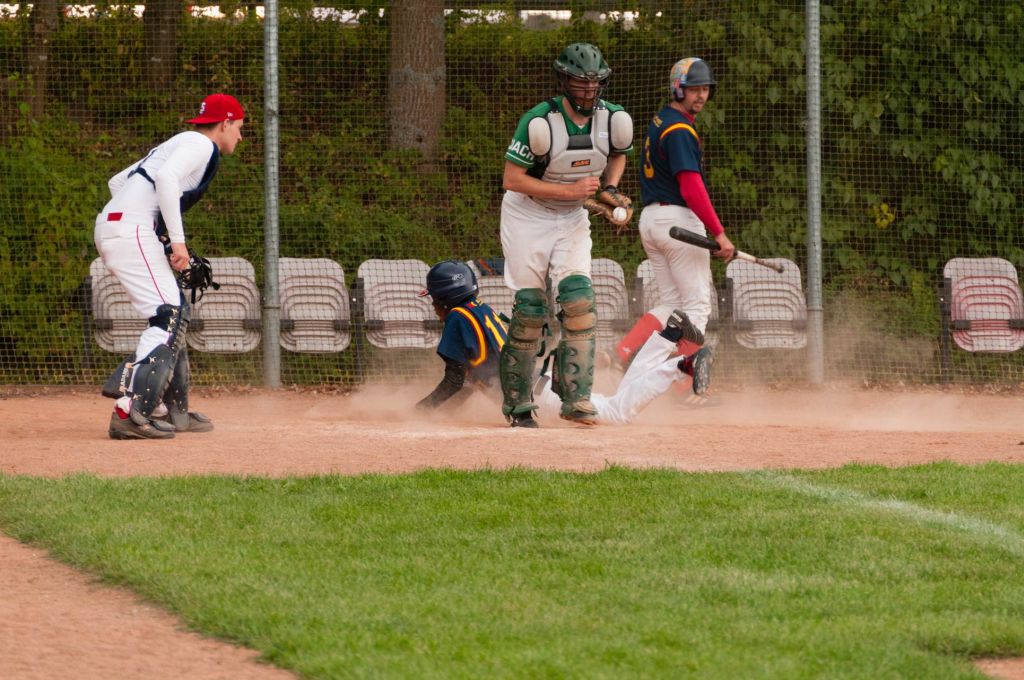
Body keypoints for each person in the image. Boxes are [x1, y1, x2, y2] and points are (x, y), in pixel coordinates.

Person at [499, 42, 634, 428]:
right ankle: (518, 405)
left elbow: (618, 154)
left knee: (579, 301)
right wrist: (570, 191)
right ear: (563, 80)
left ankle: (576, 398)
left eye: (595, 82)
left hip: (572, 217)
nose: (589, 89)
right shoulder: (539, 122)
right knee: (530, 310)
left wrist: (610, 189)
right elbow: (512, 179)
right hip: (527, 216)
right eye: (580, 82)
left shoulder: (614, 119)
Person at [95, 93, 245, 439]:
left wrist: (152, 234)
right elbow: (165, 180)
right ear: (224, 123)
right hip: (130, 230)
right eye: (238, 127)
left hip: (117, 227)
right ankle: (131, 411)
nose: (240, 135)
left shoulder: (180, 142)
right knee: (169, 315)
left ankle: (171, 411)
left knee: (176, 313)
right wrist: (176, 243)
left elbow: (117, 182)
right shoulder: (201, 144)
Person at [416, 261, 711, 424]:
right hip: (542, 384)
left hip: (539, 398)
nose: (434, 307)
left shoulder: (456, 318)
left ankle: (681, 366)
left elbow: (455, 379)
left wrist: (421, 411)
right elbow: (470, 381)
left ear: (444, 298)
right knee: (618, 400)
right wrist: (439, 414)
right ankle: (668, 336)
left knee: (617, 414)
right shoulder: (479, 311)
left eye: (434, 300)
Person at [614, 57, 735, 374]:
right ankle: (680, 380)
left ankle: (624, 352)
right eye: (694, 88)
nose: (701, 95)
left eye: (705, 89)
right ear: (678, 89)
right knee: (697, 306)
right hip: (678, 222)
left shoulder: (661, 120)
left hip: (652, 221)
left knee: (670, 304)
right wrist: (719, 233)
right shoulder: (680, 129)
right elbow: (691, 187)